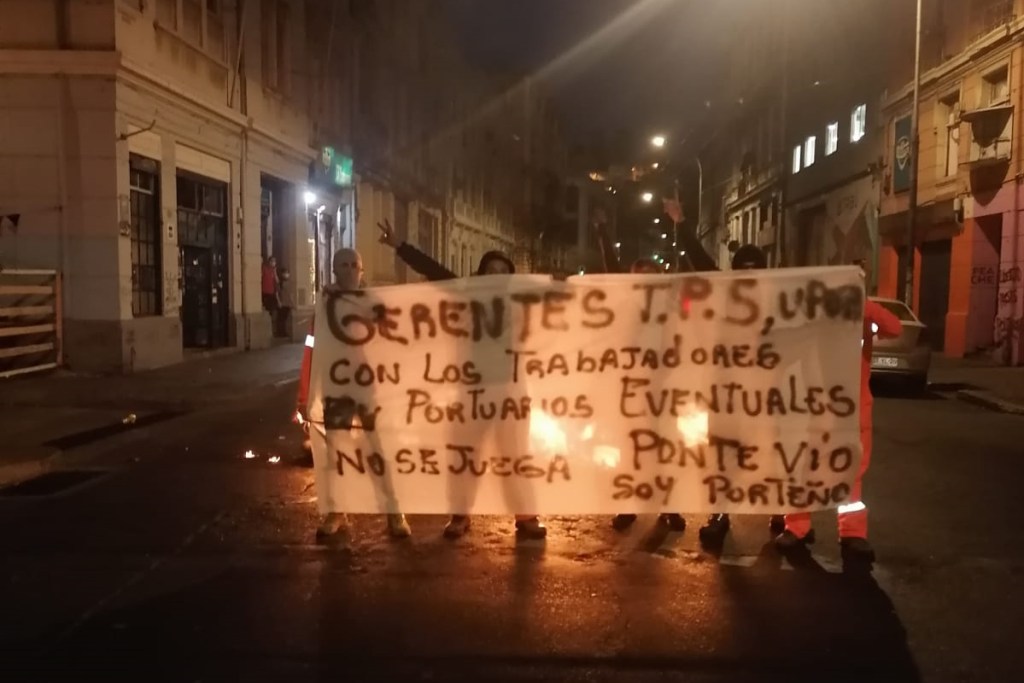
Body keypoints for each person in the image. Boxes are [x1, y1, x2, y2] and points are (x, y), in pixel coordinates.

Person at [377, 219, 548, 540]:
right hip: (471, 391)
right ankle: (460, 517)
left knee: (515, 457)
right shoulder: (467, 295)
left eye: (503, 270)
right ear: (481, 275)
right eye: (491, 269)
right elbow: (435, 271)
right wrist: (399, 246)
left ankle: (526, 519)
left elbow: (568, 300)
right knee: (465, 456)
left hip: (511, 391)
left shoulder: (521, 302)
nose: (497, 274)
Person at [774, 264, 902, 564]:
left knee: (852, 473)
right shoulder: (811, 318)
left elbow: (894, 327)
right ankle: (797, 527)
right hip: (816, 408)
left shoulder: (863, 314)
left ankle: (853, 534)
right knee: (806, 468)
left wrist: (864, 305)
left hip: (854, 411)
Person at [296, 247, 412, 541]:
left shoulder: (375, 304)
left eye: (354, 265)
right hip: (337, 389)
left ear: (362, 271)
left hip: (370, 389)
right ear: (334, 270)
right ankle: (337, 512)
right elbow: (311, 350)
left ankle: (394, 511)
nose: (349, 270)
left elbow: (396, 343)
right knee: (336, 452)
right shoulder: (324, 308)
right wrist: (305, 393)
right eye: (343, 265)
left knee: (379, 450)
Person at [593, 220, 687, 532]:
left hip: (665, 391)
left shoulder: (671, 308)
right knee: (630, 449)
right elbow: (611, 274)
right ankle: (628, 505)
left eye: (652, 279)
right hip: (631, 391)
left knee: (666, 450)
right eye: (639, 279)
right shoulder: (624, 307)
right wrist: (604, 234)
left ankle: (669, 508)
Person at [276, 267, 294, 338]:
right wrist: (279, 302)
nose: (287, 274)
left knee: (284, 319)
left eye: (287, 273)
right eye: (285, 273)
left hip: (287, 303)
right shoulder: (280, 282)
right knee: (281, 319)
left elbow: (290, 294)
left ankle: (283, 332)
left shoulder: (289, 282)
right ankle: (280, 332)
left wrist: (292, 303)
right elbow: (277, 293)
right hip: (282, 303)